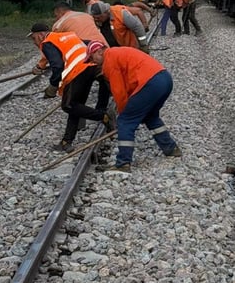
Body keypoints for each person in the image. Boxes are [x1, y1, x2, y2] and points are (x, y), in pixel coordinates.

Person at [85, 41, 181, 173]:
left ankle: (123, 163)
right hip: (164, 79)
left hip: (151, 82)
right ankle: (171, 149)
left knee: (125, 121)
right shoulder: (117, 53)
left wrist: (123, 113)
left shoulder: (109, 60)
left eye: (91, 57)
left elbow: (119, 91)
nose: (92, 61)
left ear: (99, 51)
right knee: (150, 117)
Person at [27, 22, 112, 152]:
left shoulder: (47, 42)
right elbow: (87, 43)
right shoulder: (67, 35)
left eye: (34, 38)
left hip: (78, 71)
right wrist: (40, 67)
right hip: (91, 65)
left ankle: (103, 116)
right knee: (76, 106)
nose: (34, 42)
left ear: (41, 34)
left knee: (68, 106)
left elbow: (57, 65)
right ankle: (66, 141)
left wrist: (53, 87)